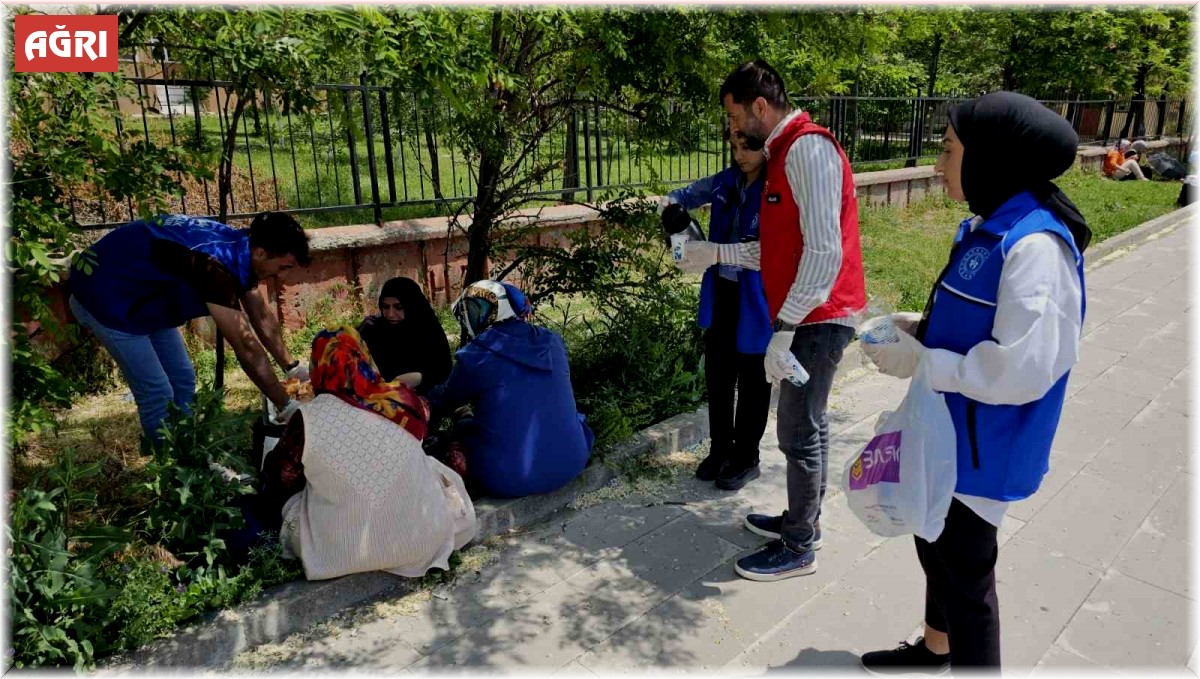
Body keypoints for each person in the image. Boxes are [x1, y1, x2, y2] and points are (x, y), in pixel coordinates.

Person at [859, 91, 1089, 673]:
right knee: (933, 545)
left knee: (967, 580)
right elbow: (975, 317)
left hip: (984, 450)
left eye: (947, 150)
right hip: (947, 433)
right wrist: (918, 328)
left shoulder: (1035, 245)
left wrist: (924, 363)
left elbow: (1024, 366)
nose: (938, 165)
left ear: (992, 156)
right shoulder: (990, 224)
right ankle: (937, 651)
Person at [682, 60, 866, 582]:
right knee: (807, 426)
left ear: (760, 107)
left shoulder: (807, 149)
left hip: (818, 316)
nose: (734, 130)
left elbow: (825, 253)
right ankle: (802, 519)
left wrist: (783, 328)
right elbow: (778, 248)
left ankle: (799, 545)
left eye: (736, 117)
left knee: (797, 431)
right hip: (806, 312)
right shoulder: (782, 154)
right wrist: (713, 253)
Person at [68, 212, 312, 445]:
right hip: (106, 298)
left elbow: (259, 313)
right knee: (157, 393)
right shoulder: (212, 266)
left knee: (183, 379)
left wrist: (292, 368)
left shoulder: (243, 248)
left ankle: (191, 455)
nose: (282, 276)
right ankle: (176, 470)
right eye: (283, 267)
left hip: (145, 298)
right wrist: (286, 406)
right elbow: (246, 347)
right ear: (261, 253)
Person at [264, 326, 475, 581]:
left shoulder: (306, 418)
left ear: (317, 364)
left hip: (336, 552)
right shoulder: (401, 401)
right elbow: (424, 423)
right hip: (421, 539)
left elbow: (279, 478)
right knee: (432, 467)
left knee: (296, 496)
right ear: (363, 357)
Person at [664, 130, 773, 491]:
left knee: (754, 378)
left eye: (748, 147)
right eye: (735, 148)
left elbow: (763, 254)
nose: (740, 155)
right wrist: (675, 224)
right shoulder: (724, 183)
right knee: (719, 373)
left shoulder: (777, 189)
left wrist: (713, 251)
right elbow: (678, 197)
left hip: (757, 298)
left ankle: (746, 457)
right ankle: (720, 449)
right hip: (723, 292)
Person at [427, 280, 594, 499]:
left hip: (509, 479)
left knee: (458, 435)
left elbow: (445, 399)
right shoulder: (552, 341)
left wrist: (418, 401)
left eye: (473, 310)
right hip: (573, 460)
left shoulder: (476, 357)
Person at [357, 276, 452, 395]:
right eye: (385, 307)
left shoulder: (427, 330)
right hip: (374, 395)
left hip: (421, 395)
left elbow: (443, 370)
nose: (390, 314)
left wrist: (419, 378)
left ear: (412, 306)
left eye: (399, 307)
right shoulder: (372, 329)